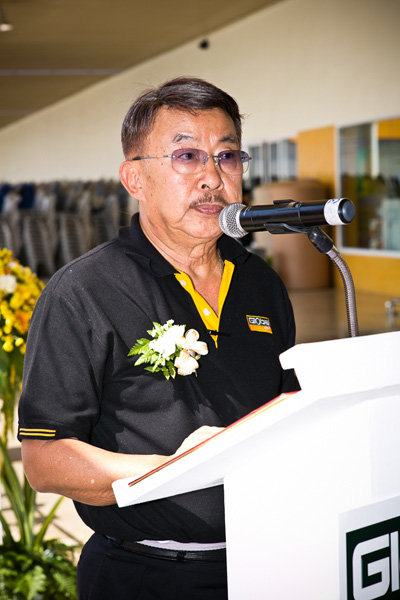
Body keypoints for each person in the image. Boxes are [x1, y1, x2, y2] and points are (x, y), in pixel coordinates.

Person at [18, 76, 300, 600]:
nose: (212, 177)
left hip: (271, 558)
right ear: (135, 178)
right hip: (146, 574)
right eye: (187, 156)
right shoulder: (85, 291)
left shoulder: (260, 282)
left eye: (228, 156)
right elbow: (44, 460)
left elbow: (291, 411)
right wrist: (175, 469)